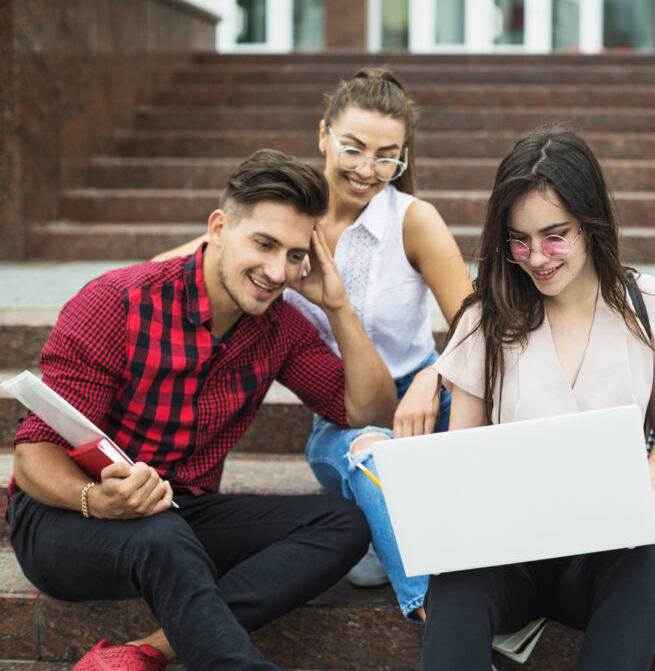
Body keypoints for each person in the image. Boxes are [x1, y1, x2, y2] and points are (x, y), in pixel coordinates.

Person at [7, 149, 398, 670]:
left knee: (343, 522)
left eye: (295, 254)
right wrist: (96, 500)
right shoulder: (118, 303)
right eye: (263, 244)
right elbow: (33, 457)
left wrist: (338, 306)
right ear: (218, 227)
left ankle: (147, 651)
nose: (277, 270)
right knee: (163, 536)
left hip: (176, 512)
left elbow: (365, 410)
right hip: (67, 516)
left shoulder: (278, 328)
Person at [155, 68, 473, 621]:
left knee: (414, 447)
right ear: (324, 135)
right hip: (344, 412)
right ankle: (437, 612)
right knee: (368, 449)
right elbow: (168, 269)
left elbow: (478, 322)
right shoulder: (288, 217)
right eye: (353, 148)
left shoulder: (414, 221)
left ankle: (390, 531)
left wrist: (434, 375)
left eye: (386, 156)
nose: (366, 170)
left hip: (430, 404)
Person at [420, 127, 655, 670]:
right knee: (455, 577)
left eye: (555, 236)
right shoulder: (486, 318)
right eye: (519, 240)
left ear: (591, 222)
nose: (536, 257)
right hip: (510, 556)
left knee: (648, 558)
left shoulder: (646, 305)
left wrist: (647, 487)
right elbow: (465, 451)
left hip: (601, 554)